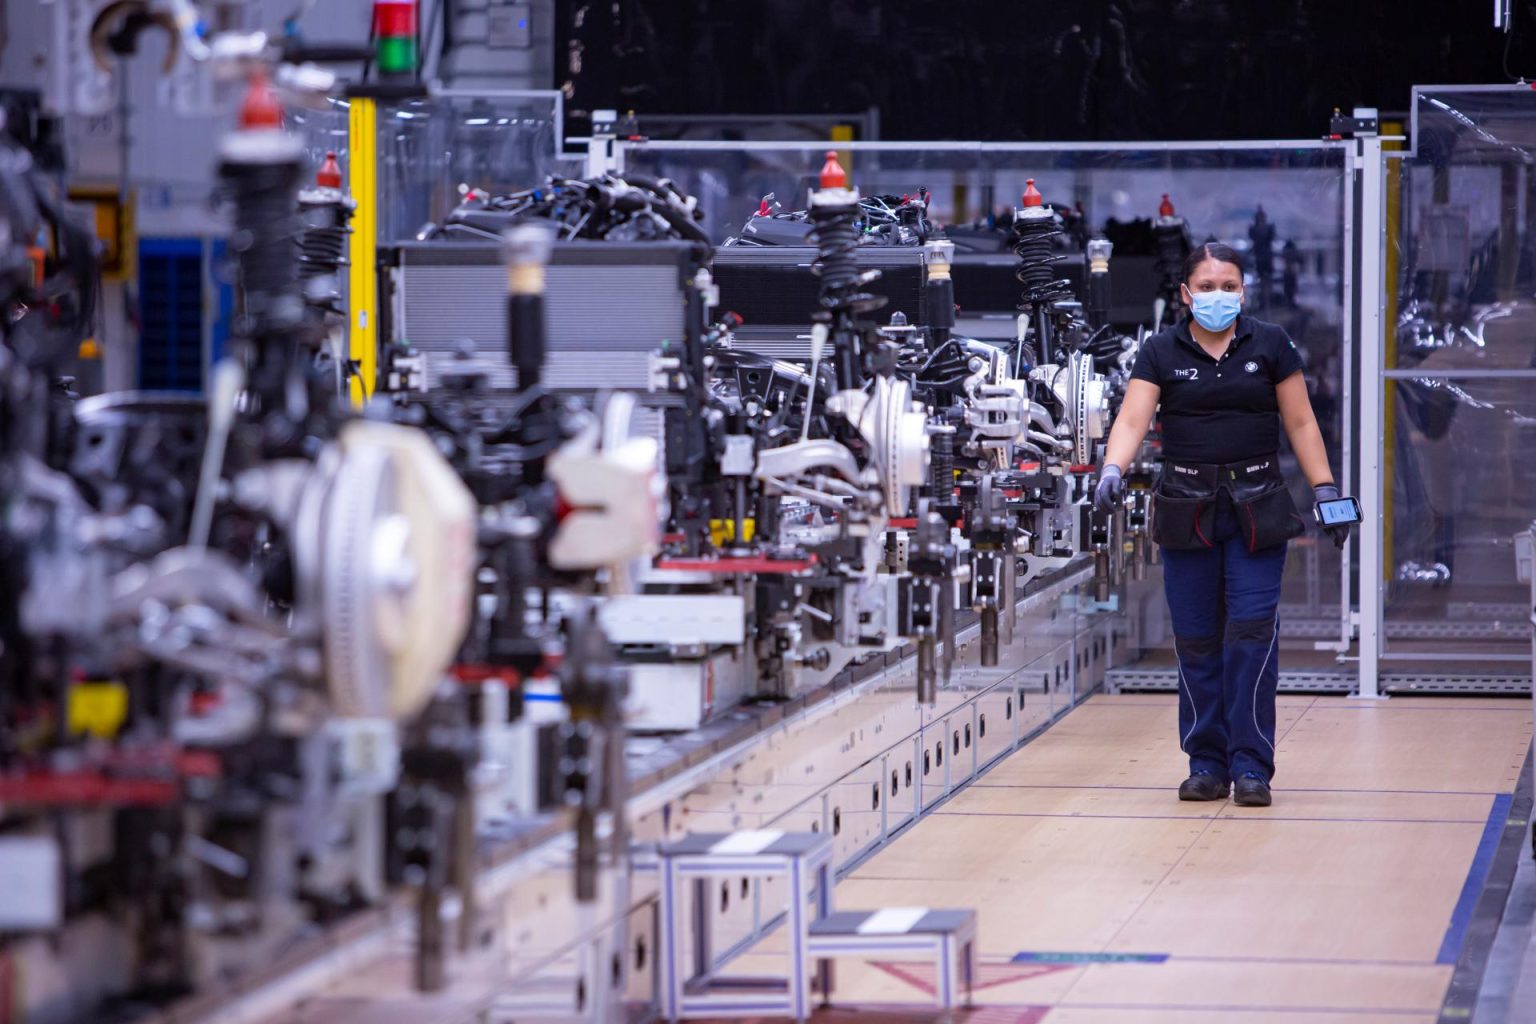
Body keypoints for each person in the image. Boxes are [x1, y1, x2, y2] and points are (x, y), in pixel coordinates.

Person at [1093, 243, 1347, 808]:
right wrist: (1112, 467)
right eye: (1205, 287)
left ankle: (1252, 764)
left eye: (1228, 286)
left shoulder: (1271, 345)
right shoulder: (1161, 350)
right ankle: (1205, 761)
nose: (1217, 296)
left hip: (1258, 508)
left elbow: (1301, 421)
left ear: (1243, 292)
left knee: (1251, 636)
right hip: (1187, 510)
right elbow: (1134, 417)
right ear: (1185, 295)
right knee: (1198, 640)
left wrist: (1326, 489)